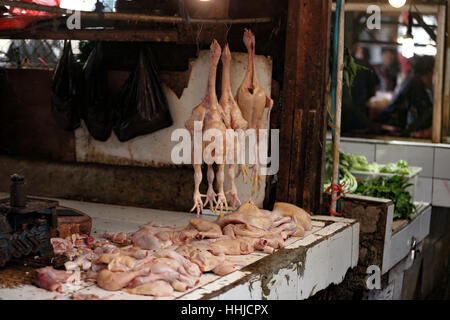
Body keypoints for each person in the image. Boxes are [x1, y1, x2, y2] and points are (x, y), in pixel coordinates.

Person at [380, 55, 435, 138]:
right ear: (430, 72)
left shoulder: (413, 79)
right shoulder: (417, 85)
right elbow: (423, 115)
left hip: (401, 128)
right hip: (398, 129)